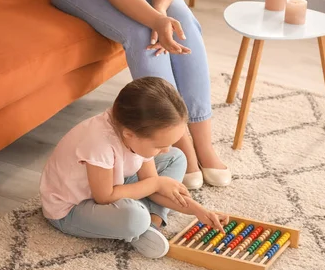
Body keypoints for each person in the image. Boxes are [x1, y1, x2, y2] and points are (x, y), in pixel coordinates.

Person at [48, 0, 231, 189]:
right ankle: (182, 149)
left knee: (185, 25)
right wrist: (154, 22)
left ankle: (204, 147)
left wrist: (160, 12)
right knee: (142, 34)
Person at [40, 77, 229, 258]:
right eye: (159, 146)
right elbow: (104, 197)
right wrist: (156, 184)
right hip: (72, 208)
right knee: (134, 218)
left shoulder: (136, 130)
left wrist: (199, 211)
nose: (164, 150)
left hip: (115, 182)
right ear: (130, 134)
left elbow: (153, 184)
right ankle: (142, 224)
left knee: (176, 158)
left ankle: (152, 224)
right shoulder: (99, 143)